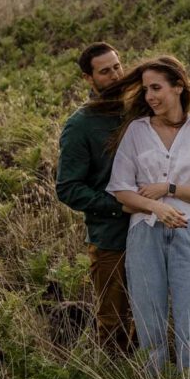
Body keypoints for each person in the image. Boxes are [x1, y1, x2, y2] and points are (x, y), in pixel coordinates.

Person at [99, 55, 190, 379]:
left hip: (188, 234)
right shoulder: (137, 132)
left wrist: (169, 190)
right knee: (150, 330)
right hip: (145, 235)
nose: (150, 96)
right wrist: (155, 206)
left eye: (156, 88)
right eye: (146, 90)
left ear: (178, 86)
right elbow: (121, 189)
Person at [55, 42, 135, 354]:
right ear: (89, 79)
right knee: (114, 322)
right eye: (105, 71)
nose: (116, 74)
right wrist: (118, 206)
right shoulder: (81, 125)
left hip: (151, 230)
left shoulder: (137, 109)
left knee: (149, 316)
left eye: (117, 66)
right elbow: (68, 188)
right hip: (110, 239)